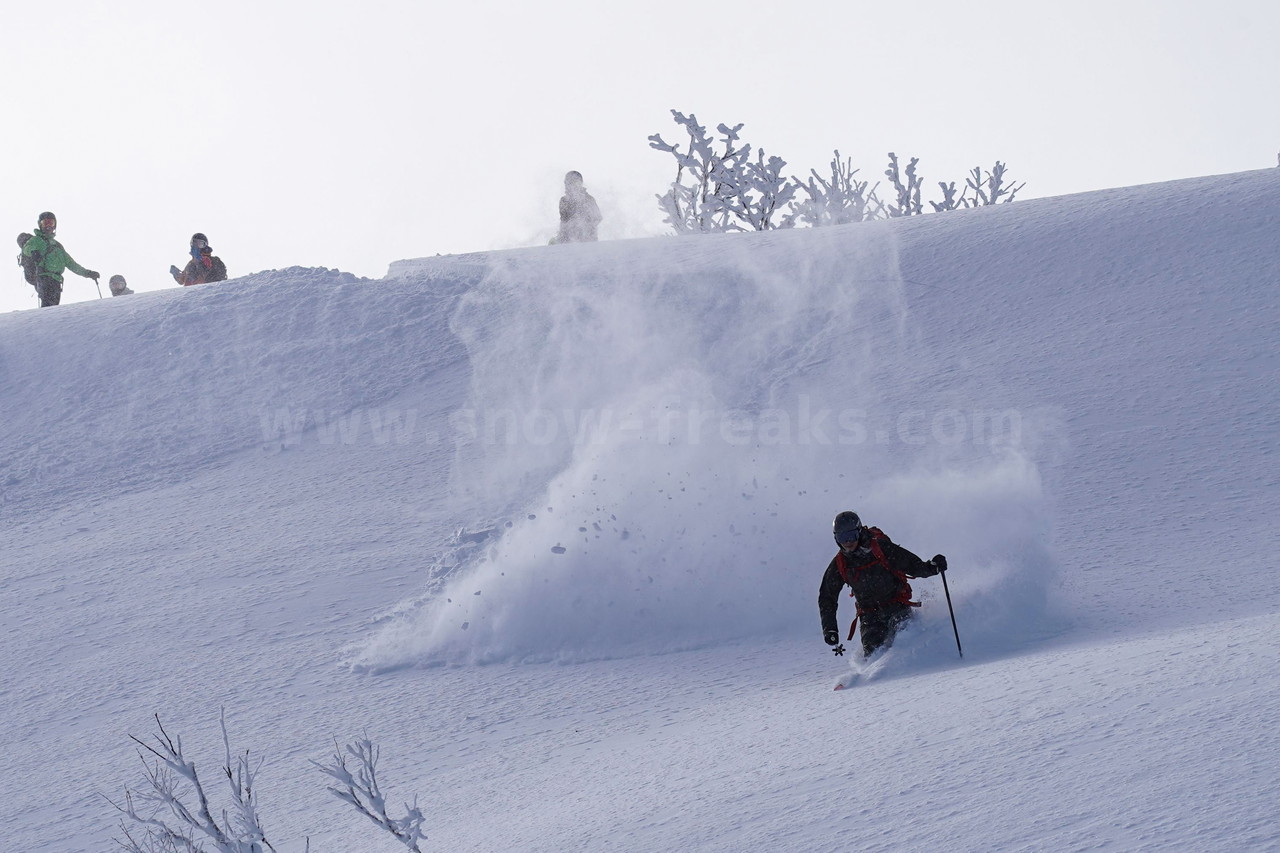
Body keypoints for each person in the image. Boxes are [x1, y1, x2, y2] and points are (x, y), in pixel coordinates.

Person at [818, 510, 948, 657]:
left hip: (897, 605)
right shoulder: (840, 564)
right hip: (869, 615)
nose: (848, 542)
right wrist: (830, 629)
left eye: (851, 536)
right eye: (842, 538)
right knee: (873, 653)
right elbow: (827, 597)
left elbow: (912, 564)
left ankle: (922, 667)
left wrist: (932, 567)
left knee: (905, 639)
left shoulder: (880, 548)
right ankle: (875, 677)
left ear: (859, 531)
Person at [19, 212, 100, 307]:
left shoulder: (58, 246)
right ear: (40, 225)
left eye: (51, 223)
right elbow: (26, 248)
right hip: (44, 277)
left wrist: (88, 273)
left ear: (55, 225)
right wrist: (33, 251)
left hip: (57, 280)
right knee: (48, 304)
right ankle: (46, 320)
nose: (48, 226)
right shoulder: (37, 240)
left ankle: (48, 320)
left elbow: (71, 264)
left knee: (53, 306)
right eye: (45, 223)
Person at [553, 170, 602, 244]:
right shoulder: (564, 200)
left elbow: (598, 217)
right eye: (567, 183)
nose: (568, 186)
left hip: (587, 240)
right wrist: (561, 236)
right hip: (567, 241)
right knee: (552, 242)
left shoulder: (589, 199)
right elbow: (564, 221)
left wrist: (585, 227)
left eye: (572, 182)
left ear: (580, 183)